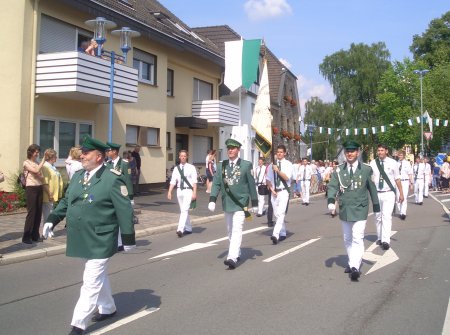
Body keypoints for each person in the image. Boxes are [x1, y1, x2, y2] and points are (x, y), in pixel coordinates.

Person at [42, 136, 135, 335]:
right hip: (82, 238)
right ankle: (108, 307)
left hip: (102, 239)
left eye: (86, 153)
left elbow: (124, 209)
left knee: (90, 280)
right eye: (82, 153)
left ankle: (78, 324)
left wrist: (128, 239)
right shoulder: (77, 176)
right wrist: (52, 219)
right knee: (96, 276)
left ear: (99, 157)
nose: (82, 156)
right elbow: (66, 202)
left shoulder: (112, 177)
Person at [327, 140, 380, 281]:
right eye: (347, 151)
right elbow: (332, 186)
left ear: (358, 152)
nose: (350, 154)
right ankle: (352, 262)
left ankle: (355, 266)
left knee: (357, 237)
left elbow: (372, 188)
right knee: (347, 238)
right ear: (345, 154)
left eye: (353, 151)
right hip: (345, 208)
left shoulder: (366, 169)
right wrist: (331, 201)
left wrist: (376, 206)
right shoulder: (338, 170)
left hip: (360, 208)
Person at [208, 139, 258, 269]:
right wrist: (212, 199)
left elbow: (251, 185)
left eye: (233, 148)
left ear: (238, 150)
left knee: (237, 229)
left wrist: (255, 202)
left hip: (241, 204)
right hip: (227, 203)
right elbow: (217, 183)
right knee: (230, 231)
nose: (230, 150)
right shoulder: (221, 165)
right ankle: (237, 251)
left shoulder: (246, 165)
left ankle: (232, 257)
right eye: (228, 148)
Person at [370, 144, 404, 250]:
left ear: (386, 151)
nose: (380, 152)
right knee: (378, 217)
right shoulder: (372, 163)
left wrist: (401, 193)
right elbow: (371, 178)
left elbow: (397, 179)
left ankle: (385, 240)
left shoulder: (393, 163)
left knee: (386, 216)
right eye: (378, 150)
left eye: (382, 150)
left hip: (389, 193)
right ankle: (379, 237)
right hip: (377, 193)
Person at [106, 142, 134, 251]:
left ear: (115, 152)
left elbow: (128, 181)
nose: (107, 153)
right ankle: (116, 242)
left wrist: (130, 198)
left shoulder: (124, 163)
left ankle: (120, 243)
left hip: (121, 196)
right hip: (110, 196)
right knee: (112, 219)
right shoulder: (107, 164)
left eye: (109, 151)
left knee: (120, 219)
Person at [266, 144, 293, 244]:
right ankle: (283, 233)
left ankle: (275, 234)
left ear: (285, 153)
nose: (279, 154)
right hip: (274, 191)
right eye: (278, 152)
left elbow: (287, 178)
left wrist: (278, 170)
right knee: (277, 214)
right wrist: (272, 190)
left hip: (283, 191)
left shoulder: (288, 164)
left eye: (281, 152)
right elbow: (268, 179)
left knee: (281, 213)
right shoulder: (271, 165)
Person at [167, 150, 197, 237]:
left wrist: (194, 193)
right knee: (183, 210)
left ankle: (180, 229)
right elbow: (173, 181)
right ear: (179, 157)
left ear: (186, 157)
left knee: (184, 210)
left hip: (188, 190)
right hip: (179, 190)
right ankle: (188, 228)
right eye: (181, 156)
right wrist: (169, 191)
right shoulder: (176, 168)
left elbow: (194, 182)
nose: (183, 157)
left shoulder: (191, 167)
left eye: (184, 156)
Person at [22, 144, 46, 244]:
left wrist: (38, 174)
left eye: (38, 152)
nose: (37, 154)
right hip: (31, 188)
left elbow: (41, 176)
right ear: (30, 152)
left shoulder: (36, 162)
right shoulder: (26, 163)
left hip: (39, 187)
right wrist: (43, 161)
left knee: (38, 212)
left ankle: (35, 235)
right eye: (36, 152)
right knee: (32, 212)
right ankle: (26, 237)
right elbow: (36, 171)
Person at [41, 149, 63, 229]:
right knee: (48, 214)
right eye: (55, 156)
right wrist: (50, 194)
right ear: (51, 157)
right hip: (48, 195)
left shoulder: (52, 166)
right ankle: (46, 232)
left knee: (51, 213)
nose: (56, 157)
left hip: (53, 194)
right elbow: (45, 182)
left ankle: (49, 230)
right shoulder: (45, 167)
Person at [396, 150, 413, 220]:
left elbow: (410, 174)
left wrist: (411, 183)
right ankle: (400, 211)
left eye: (401, 155)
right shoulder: (396, 163)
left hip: (405, 181)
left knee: (404, 197)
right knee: (398, 198)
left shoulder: (407, 163)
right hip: (397, 182)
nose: (400, 156)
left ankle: (403, 213)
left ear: (404, 156)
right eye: (399, 155)